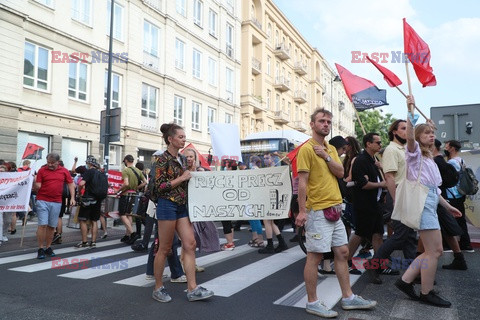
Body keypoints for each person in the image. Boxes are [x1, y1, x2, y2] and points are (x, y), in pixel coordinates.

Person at [296, 108, 377, 317]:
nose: (326, 124)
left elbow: (340, 173)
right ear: (312, 124)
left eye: (328, 122)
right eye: (321, 121)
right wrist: (302, 211)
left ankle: (348, 298)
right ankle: (312, 302)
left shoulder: (330, 149)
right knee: (315, 256)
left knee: (342, 253)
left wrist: (325, 156)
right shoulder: (305, 149)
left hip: (334, 209)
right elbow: (302, 182)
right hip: (317, 210)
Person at [394, 96, 461, 308]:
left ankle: (405, 281)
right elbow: (411, 139)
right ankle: (426, 292)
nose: (431, 136)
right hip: (423, 206)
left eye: (432, 133)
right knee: (435, 251)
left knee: (429, 250)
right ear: (418, 136)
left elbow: (432, 190)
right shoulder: (413, 153)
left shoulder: (429, 158)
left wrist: (447, 206)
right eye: (426, 133)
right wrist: (410, 110)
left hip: (429, 202)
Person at [151, 123, 213, 303]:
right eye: (180, 137)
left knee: (190, 243)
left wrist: (194, 174)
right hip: (166, 205)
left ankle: (192, 288)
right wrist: (182, 178)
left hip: (181, 206)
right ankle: (158, 287)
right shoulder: (161, 160)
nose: (184, 139)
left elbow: (187, 181)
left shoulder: (182, 159)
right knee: (165, 248)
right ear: (170, 139)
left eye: (184, 137)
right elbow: (159, 187)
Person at [366, 119, 414, 284]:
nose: (406, 131)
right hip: (399, 196)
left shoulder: (406, 149)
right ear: (394, 132)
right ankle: (373, 265)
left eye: (408, 128)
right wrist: (395, 200)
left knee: (410, 237)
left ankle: (413, 273)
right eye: (403, 128)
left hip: (409, 196)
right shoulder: (392, 150)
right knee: (400, 236)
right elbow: (390, 177)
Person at [432, 139, 467, 270]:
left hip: (437, 198)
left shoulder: (435, 161)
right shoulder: (441, 161)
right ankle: (459, 259)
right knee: (447, 230)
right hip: (441, 198)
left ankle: (419, 268)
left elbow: (435, 185)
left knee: (426, 231)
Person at [184, 148, 220, 271]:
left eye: (191, 157)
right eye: (186, 157)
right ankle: (185, 263)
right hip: (185, 208)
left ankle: (191, 263)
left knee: (195, 238)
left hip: (198, 208)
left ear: (195, 158)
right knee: (189, 237)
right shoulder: (181, 171)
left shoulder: (200, 171)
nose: (189, 159)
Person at [34, 153, 76, 259]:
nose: (50, 165)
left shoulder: (64, 171)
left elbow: (71, 184)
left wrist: (72, 198)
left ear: (58, 162)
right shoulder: (42, 170)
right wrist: (35, 184)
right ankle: (40, 248)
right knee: (42, 225)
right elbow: (37, 185)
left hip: (57, 201)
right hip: (42, 200)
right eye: (48, 162)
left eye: (53, 163)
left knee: (52, 226)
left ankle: (48, 247)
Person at [444, 139, 474, 252]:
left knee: (449, 221)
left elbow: (448, 179)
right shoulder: (461, 160)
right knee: (461, 220)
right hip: (460, 194)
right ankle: (466, 245)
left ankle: (449, 245)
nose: (445, 148)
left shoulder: (451, 163)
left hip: (452, 195)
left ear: (452, 148)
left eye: (446, 146)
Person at [258, 152, 288, 254]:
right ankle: (281, 242)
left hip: (271, 197)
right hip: (270, 197)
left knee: (267, 221)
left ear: (273, 159)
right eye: (264, 158)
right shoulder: (271, 169)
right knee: (271, 222)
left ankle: (270, 245)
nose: (265, 160)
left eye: (267, 158)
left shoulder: (275, 169)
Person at [74, 156, 104, 249]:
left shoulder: (89, 172)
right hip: (98, 199)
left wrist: (79, 192)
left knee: (82, 220)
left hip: (87, 199)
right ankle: (93, 242)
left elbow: (81, 183)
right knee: (94, 221)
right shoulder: (101, 174)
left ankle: (84, 242)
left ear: (89, 164)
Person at [117, 155, 147, 244]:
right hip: (134, 194)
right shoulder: (138, 170)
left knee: (122, 214)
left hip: (126, 194)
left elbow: (126, 183)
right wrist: (137, 188)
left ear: (126, 161)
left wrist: (118, 190)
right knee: (129, 214)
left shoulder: (126, 170)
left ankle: (133, 234)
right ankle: (127, 235)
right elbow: (145, 182)